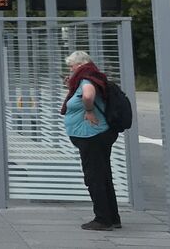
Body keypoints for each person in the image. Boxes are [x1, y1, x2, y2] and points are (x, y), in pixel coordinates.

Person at [62, 51, 121, 231]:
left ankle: (102, 219)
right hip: (97, 135)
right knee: (103, 175)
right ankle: (112, 217)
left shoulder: (86, 80)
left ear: (80, 65)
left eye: (71, 66)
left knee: (94, 177)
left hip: (92, 136)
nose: (71, 70)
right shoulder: (90, 77)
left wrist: (88, 111)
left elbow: (88, 96)